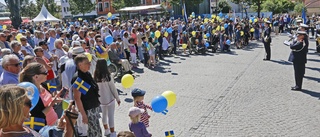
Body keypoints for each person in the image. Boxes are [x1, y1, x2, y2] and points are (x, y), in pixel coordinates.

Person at [0, 85, 78, 137]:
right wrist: (69, 127)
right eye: (28, 103)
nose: (32, 106)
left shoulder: (15, 128)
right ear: (15, 108)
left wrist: (59, 128)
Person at [19, 62, 61, 131]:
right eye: (45, 72)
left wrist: (55, 98)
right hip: (44, 128)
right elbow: (38, 115)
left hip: (53, 123)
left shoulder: (43, 85)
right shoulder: (30, 94)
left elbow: (46, 101)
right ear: (36, 77)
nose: (47, 74)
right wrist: (52, 104)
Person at [72, 54, 102, 137]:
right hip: (88, 110)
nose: (89, 64)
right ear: (80, 65)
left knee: (97, 131)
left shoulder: (86, 74)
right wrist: (84, 115)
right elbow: (77, 98)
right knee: (93, 133)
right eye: (87, 63)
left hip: (93, 108)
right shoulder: (79, 78)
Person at [94, 59, 121, 137]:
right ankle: (112, 133)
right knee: (111, 116)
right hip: (110, 98)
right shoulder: (108, 76)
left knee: (104, 115)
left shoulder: (95, 76)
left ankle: (106, 130)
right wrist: (117, 98)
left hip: (101, 99)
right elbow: (113, 88)